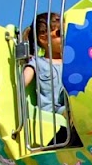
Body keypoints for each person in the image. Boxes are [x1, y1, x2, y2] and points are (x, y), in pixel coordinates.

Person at [20, 12, 70, 144]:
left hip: (69, 106)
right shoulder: (39, 62)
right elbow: (23, 81)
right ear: (44, 38)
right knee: (74, 111)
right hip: (52, 111)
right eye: (60, 34)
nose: (65, 38)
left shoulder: (70, 61)